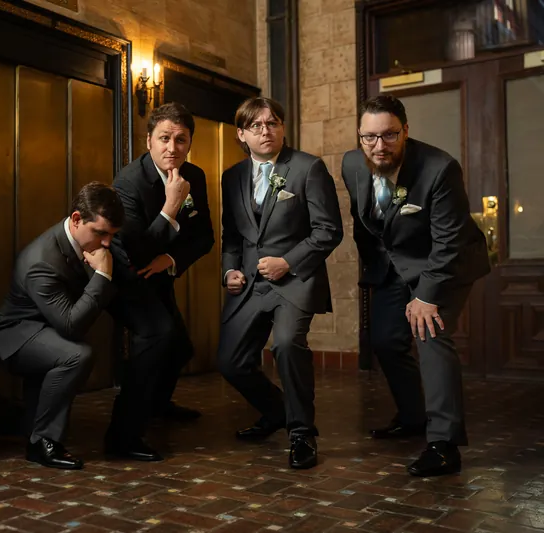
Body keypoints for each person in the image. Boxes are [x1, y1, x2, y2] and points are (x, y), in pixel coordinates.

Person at [341, 94, 490, 477]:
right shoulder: (352, 164)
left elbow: (449, 242)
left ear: (405, 131)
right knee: (386, 340)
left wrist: (426, 296)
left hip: (447, 262)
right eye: (369, 137)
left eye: (389, 135)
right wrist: (375, 272)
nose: (379, 146)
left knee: (430, 334)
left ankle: (444, 445)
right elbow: (367, 225)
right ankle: (412, 417)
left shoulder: (439, 169)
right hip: (396, 263)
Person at [217, 96, 342, 469]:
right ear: (241, 134)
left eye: (272, 123)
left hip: (294, 280)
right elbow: (232, 237)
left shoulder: (307, 168)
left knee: (287, 345)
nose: (265, 131)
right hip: (250, 285)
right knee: (230, 362)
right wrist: (229, 271)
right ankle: (276, 412)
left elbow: (328, 230)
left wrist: (288, 262)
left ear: (283, 127)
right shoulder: (232, 177)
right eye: (256, 125)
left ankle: (302, 434)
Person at [0, 182, 124, 470]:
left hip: (46, 330)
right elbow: (71, 326)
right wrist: (103, 276)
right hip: (16, 335)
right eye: (100, 233)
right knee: (77, 354)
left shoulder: (89, 242)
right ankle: (41, 443)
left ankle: (3, 416)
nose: (107, 243)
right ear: (76, 219)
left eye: (112, 235)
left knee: (67, 358)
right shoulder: (42, 261)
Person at [110, 102, 214, 423]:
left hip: (159, 274)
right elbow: (137, 251)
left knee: (180, 347)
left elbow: (204, 236)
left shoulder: (194, 175)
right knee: (158, 339)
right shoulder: (127, 183)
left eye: (181, 139)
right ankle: (127, 425)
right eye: (164, 138)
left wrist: (169, 259)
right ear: (149, 141)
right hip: (123, 276)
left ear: (190, 143)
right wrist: (170, 206)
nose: (172, 147)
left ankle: (157, 405)